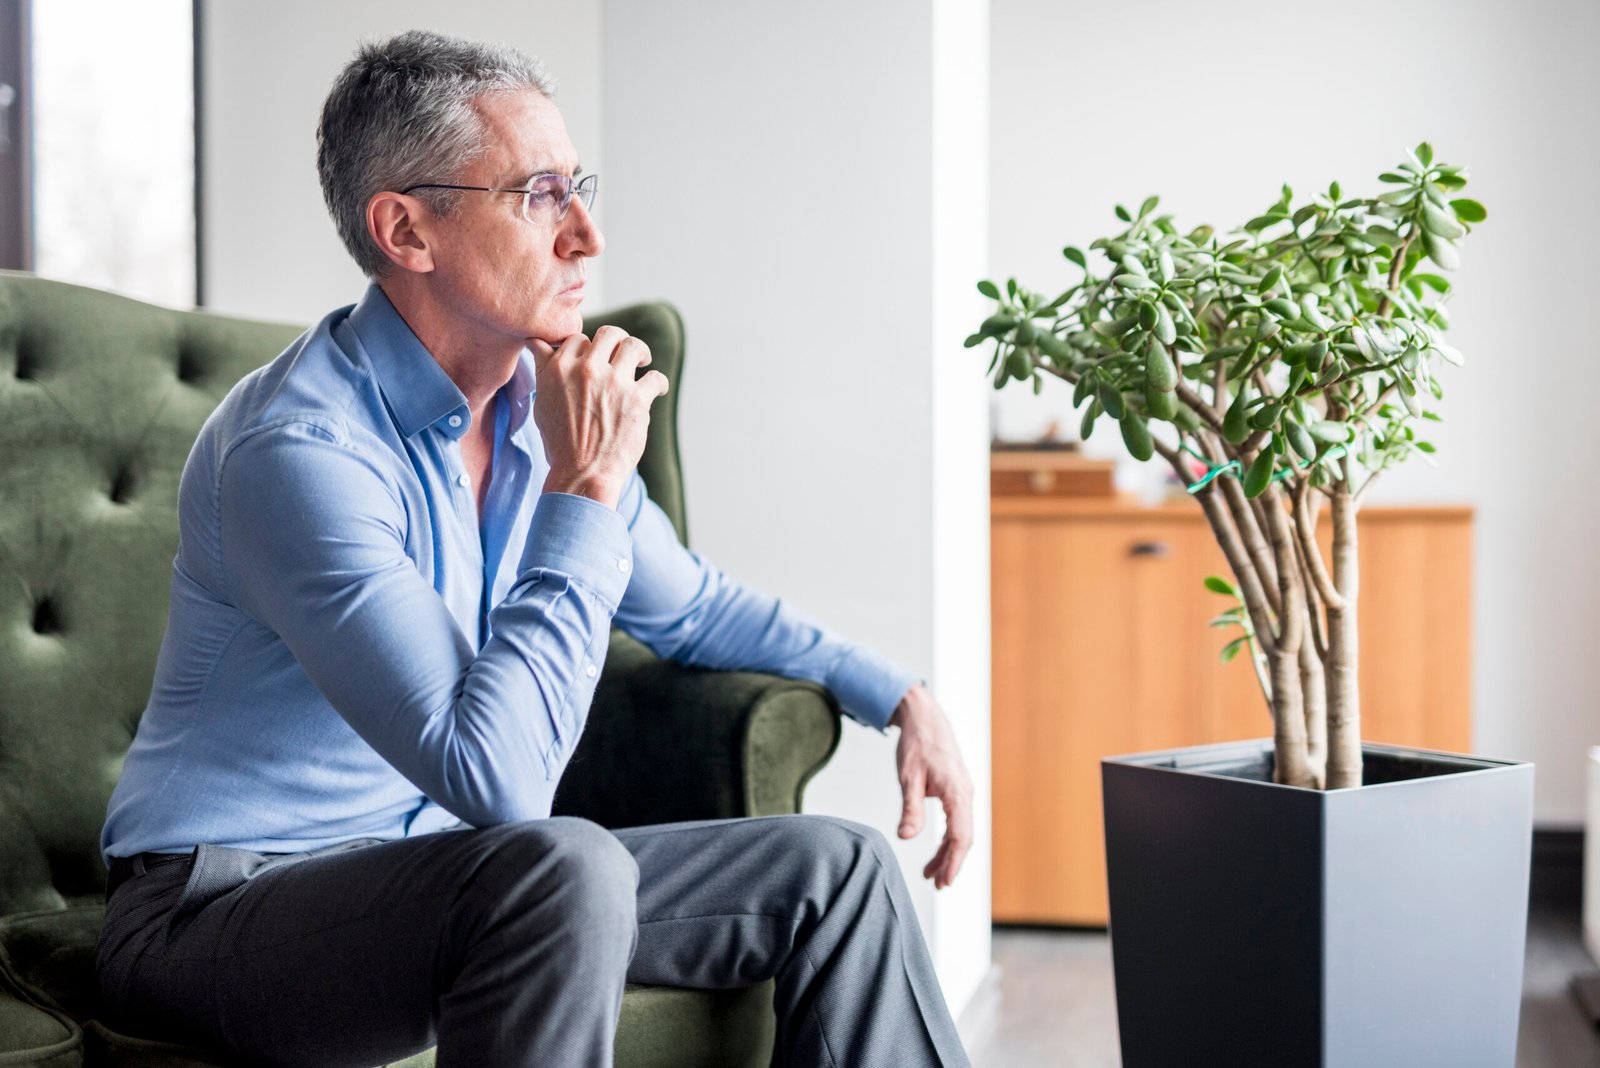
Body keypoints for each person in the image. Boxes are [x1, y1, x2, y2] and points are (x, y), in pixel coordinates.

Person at [95, 28, 975, 1068]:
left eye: (579, 187)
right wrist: (586, 487)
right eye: (541, 194)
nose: (588, 237)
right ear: (407, 231)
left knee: (841, 866)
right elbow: (499, 785)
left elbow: (689, 605)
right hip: (219, 912)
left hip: (445, 882)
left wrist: (899, 694)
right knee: (560, 862)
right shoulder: (299, 453)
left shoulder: (530, 412)